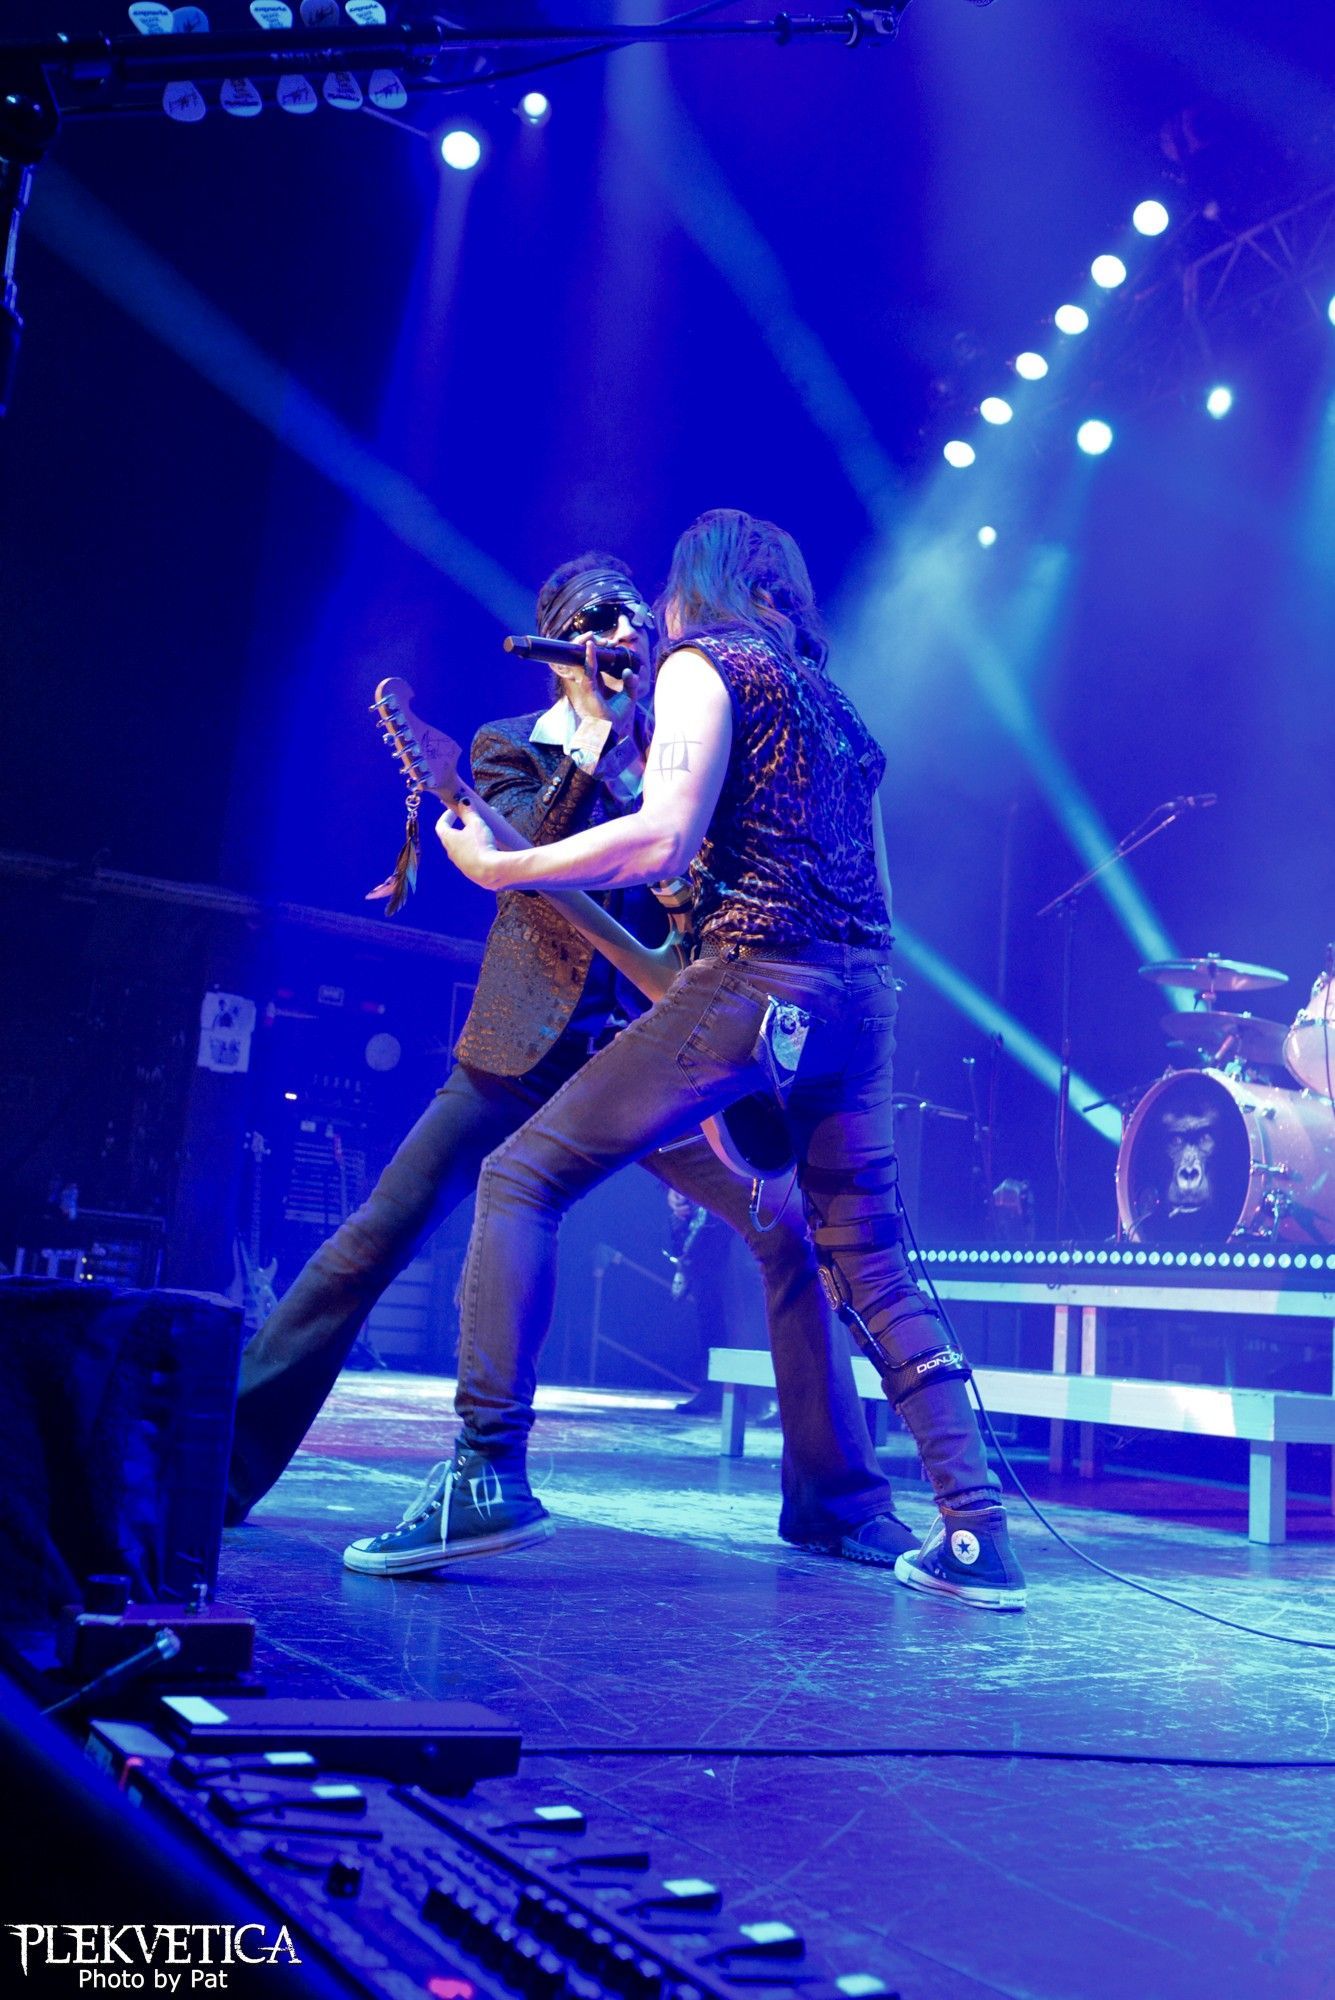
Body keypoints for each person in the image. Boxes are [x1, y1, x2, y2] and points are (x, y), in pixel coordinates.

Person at [346, 512, 1026, 1612]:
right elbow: (878, 903)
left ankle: (485, 1471)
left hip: (756, 982)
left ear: (690, 590)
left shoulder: (710, 664)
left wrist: (502, 870)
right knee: (872, 1259)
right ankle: (976, 1531)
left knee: (520, 1178)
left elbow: (662, 834)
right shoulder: (843, 717)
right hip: (863, 1001)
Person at [229, 550, 909, 1566]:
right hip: (522, 1048)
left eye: (633, 615)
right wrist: (591, 740)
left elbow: (699, 884)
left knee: (789, 1232)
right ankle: (219, 1465)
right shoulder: (510, 745)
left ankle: (837, 1500)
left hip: (658, 1048)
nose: (622, 633)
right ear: (558, 643)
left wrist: (637, 752)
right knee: (375, 1236)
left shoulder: (688, 734)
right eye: (597, 619)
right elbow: (520, 861)